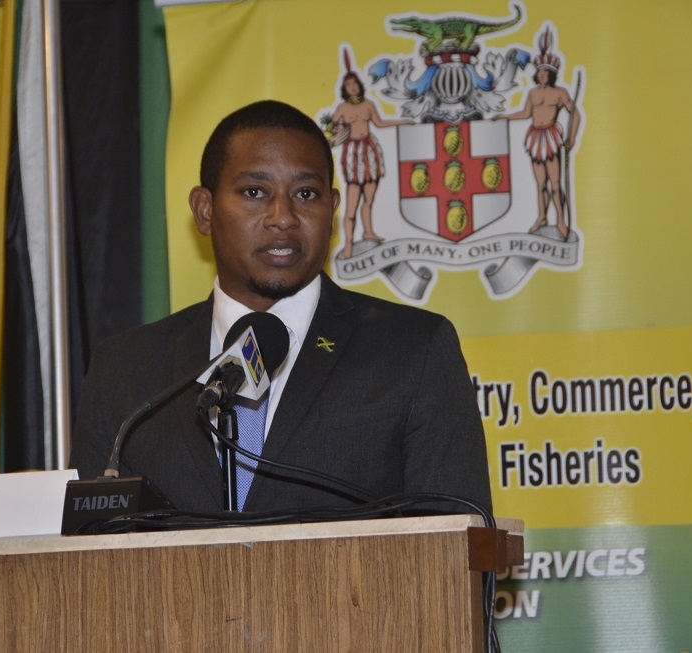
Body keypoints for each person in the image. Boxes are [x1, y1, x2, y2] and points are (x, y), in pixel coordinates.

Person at [69, 100, 491, 515]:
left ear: (333, 210)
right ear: (204, 210)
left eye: (306, 194)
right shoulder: (125, 371)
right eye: (255, 192)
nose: (283, 217)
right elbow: (90, 554)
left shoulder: (412, 352)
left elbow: (457, 549)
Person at [496, 27, 580, 239]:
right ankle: (542, 216)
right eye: (539, 72)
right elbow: (525, 114)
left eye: (545, 72)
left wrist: (571, 138)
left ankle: (560, 220)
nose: (542, 75)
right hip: (535, 136)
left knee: (555, 184)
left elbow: (575, 115)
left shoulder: (560, 93)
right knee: (540, 184)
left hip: (551, 137)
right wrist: (505, 117)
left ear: (551, 73)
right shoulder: (533, 93)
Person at [327, 65, 410, 260]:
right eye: (349, 84)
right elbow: (332, 129)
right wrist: (335, 133)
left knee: (369, 200)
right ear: (344, 88)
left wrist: (401, 122)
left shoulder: (368, 105)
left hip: (370, 150)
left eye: (355, 83)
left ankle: (368, 232)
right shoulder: (342, 109)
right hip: (353, 154)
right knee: (352, 203)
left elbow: (380, 123)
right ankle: (348, 244)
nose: (353, 87)